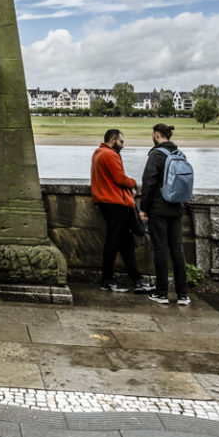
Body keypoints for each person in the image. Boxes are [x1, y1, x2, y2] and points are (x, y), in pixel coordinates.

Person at [89, 129, 150, 293]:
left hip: (108, 202)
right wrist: (134, 183)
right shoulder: (110, 154)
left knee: (125, 243)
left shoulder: (98, 152)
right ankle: (107, 280)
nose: (123, 145)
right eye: (121, 142)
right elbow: (120, 179)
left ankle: (137, 279)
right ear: (112, 139)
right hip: (115, 204)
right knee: (114, 242)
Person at [141, 123, 191, 305]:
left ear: (156, 135)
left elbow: (148, 183)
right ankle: (183, 294)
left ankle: (162, 293)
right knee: (177, 250)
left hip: (159, 209)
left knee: (160, 249)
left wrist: (143, 208)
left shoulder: (156, 154)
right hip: (176, 207)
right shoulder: (180, 154)